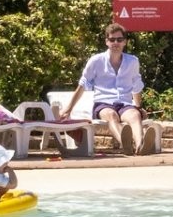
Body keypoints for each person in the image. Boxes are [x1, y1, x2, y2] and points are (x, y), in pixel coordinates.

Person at [57, 22, 151, 155]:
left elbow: (137, 85)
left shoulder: (132, 61)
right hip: (103, 103)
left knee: (135, 115)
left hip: (124, 103)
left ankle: (141, 146)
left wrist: (138, 106)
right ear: (107, 42)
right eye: (112, 40)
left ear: (125, 42)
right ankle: (126, 145)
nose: (116, 43)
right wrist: (68, 109)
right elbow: (83, 84)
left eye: (119, 39)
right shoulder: (96, 61)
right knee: (111, 115)